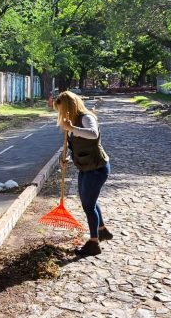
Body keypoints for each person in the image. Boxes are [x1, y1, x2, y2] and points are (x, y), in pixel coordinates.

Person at [54, 91, 112, 256]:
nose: (61, 114)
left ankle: (94, 244)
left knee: (88, 205)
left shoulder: (86, 118)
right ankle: (102, 231)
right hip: (85, 168)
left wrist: (71, 127)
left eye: (62, 110)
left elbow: (93, 135)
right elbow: (77, 147)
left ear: (70, 107)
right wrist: (64, 159)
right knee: (89, 202)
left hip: (97, 168)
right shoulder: (71, 121)